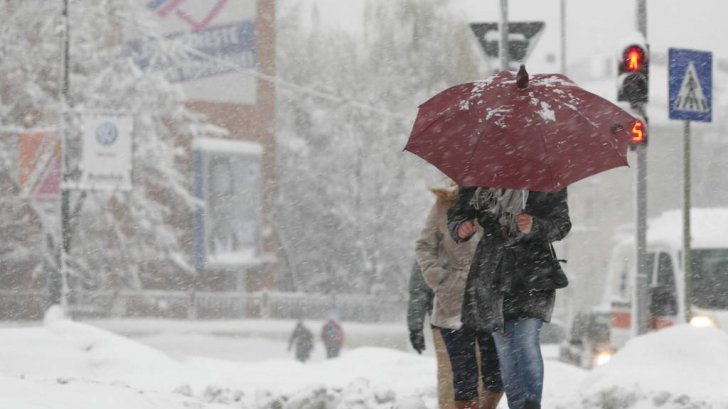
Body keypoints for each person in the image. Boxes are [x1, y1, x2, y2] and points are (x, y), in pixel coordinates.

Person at [448, 187, 571, 409]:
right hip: (492, 272)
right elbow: (458, 213)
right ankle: (517, 405)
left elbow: (561, 224)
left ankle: (532, 404)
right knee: (505, 351)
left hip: (533, 273)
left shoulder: (546, 179)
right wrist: (460, 227)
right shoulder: (480, 175)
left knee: (525, 340)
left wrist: (535, 225)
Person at [416, 182, 504, 409]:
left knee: (495, 373)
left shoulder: (503, 200)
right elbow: (425, 245)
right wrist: (438, 277)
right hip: (453, 298)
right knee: (463, 376)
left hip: (492, 296)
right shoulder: (446, 203)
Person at [407, 260, 456, 409]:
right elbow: (419, 289)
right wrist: (415, 328)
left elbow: (419, 290)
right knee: (450, 374)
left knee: (451, 375)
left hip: (470, 320)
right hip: (445, 321)